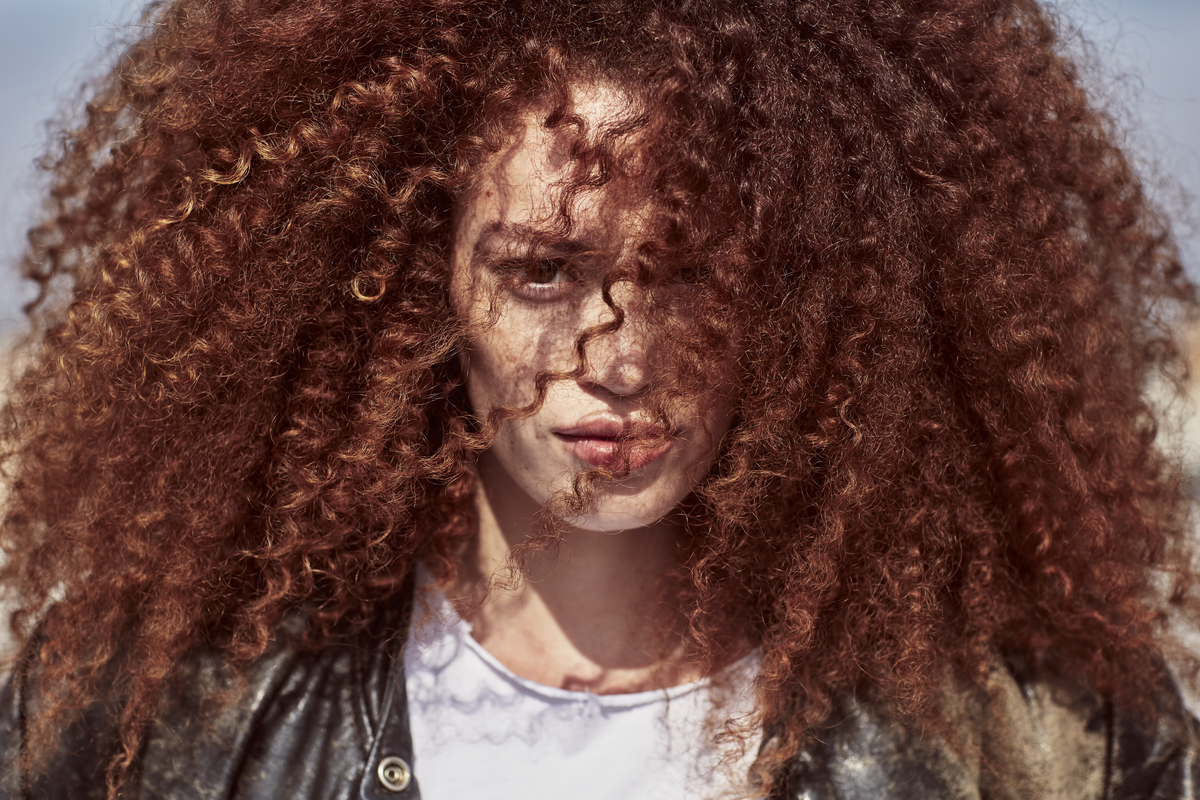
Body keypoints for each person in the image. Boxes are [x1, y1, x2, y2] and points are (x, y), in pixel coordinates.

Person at [2, 0, 1199, 797]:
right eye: (540, 271)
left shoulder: (1059, 740)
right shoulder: (152, 716)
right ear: (413, 278)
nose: (620, 358)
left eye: (689, 273)